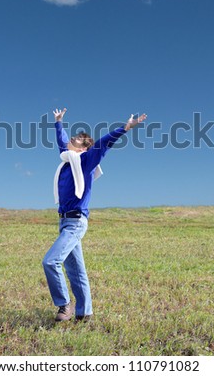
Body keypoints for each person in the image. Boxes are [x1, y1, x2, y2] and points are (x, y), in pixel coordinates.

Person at [42, 108, 147, 322]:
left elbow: (104, 143)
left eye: (76, 140)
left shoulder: (86, 161)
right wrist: (58, 122)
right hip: (64, 222)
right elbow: (62, 142)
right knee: (76, 271)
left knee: (51, 261)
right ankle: (85, 313)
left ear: (85, 148)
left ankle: (64, 305)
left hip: (76, 222)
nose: (71, 140)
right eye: (72, 138)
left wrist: (125, 128)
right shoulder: (68, 159)